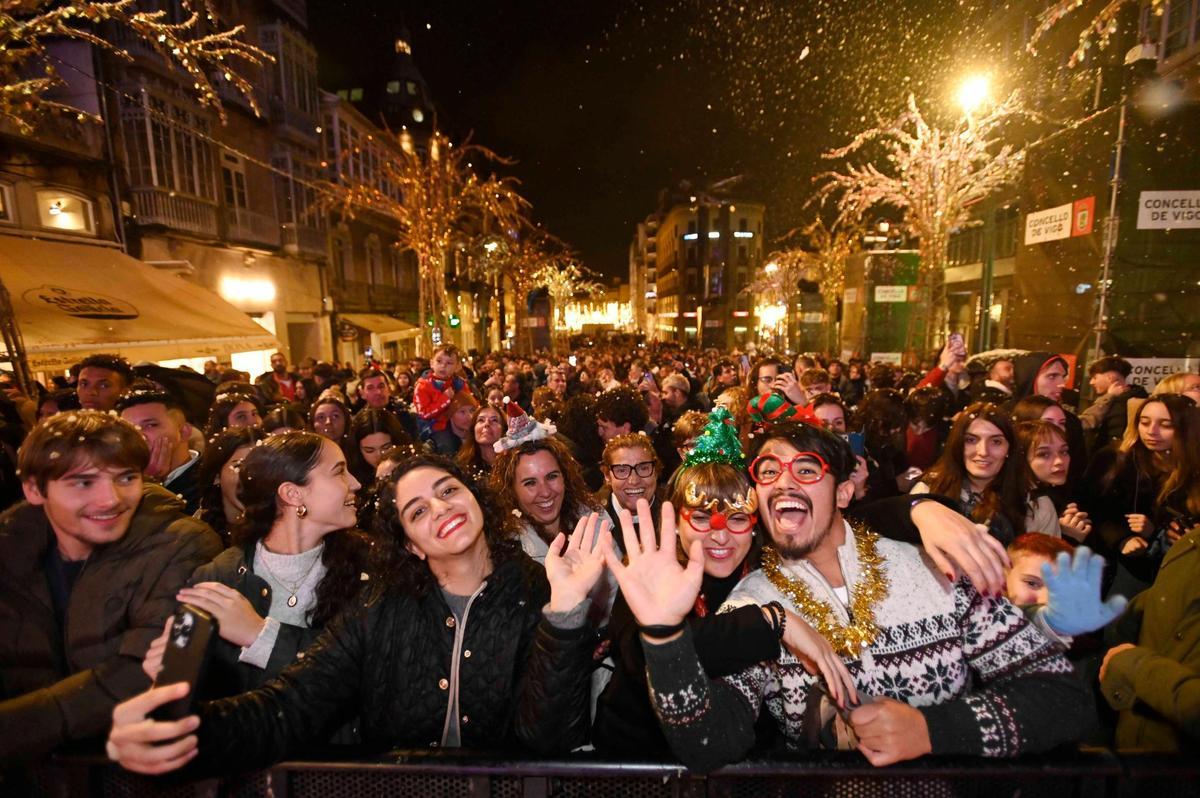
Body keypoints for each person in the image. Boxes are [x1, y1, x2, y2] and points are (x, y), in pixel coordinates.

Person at [606, 421, 1092, 771]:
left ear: (842, 493)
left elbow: (1064, 700)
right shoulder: (750, 600)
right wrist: (666, 637)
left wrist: (932, 731)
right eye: (768, 470)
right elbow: (708, 745)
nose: (784, 481)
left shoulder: (939, 570)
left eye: (807, 469)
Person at [107, 454, 607, 773]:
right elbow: (294, 704)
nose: (439, 508)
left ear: (476, 500)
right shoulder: (379, 607)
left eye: (449, 490)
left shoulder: (537, 589)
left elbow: (549, 740)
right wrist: (189, 732)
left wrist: (565, 615)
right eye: (416, 510)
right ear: (411, 546)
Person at [0, 411, 221, 760]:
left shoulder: (180, 546)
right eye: (83, 482)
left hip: (126, 769)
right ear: (33, 488)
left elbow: (144, 669)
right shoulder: (9, 550)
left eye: (126, 477)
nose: (111, 499)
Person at [143, 433, 372, 709]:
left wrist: (262, 635)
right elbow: (200, 699)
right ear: (292, 493)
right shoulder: (218, 580)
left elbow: (369, 672)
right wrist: (173, 672)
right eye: (339, 472)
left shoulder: (370, 569)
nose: (356, 483)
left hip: (343, 751)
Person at [1084, 393, 1200, 595]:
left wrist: (1161, 532)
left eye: (1166, 425)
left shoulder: (1193, 471)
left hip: (1179, 572)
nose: (1151, 431)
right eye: (1144, 422)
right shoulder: (1115, 460)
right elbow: (1093, 509)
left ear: (1186, 429)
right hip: (1122, 569)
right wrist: (1122, 538)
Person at [914, 402, 1056, 543]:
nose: (983, 452)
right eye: (971, 440)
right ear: (957, 445)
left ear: (1009, 449)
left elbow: (1047, 563)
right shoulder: (927, 490)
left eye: (996, 442)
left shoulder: (1035, 505)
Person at [117, 388, 203, 515]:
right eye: (128, 429)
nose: (138, 436)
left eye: (150, 425)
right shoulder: (118, 479)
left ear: (184, 432)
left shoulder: (209, 482)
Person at [1015, 421, 1091, 543]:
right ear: (1020, 458)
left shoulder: (1048, 497)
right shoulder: (1038, 503)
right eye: (1044, 454)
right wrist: (1070, 539)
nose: (1059, 461)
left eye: (1064, 451)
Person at [196, 427, 267, 545]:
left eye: (261, 466)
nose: (251, 476)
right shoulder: (197, 538)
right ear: (217, 476)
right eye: (239, 466)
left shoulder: (283, 534)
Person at [1081, 356, 1148, 453]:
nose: (1091, 382)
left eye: (1095, 377)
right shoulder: (1127, 398)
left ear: (1110, 377)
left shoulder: (1121, 403)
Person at [349, 408, 415, 489]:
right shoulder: (352, 481)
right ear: (358, 450)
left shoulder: (414, 470)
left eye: (386, 447)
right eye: (369, 450)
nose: (379, 455)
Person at [413, 345, 469, 439]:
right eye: (439, 361)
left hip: (459, 425)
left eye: (449, 363)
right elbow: (424, 413)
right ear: (431, 363)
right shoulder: (422, 386)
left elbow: (470, 404)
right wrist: (445, 399)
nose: (443, 366)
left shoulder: (459, 384)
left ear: (457, 366)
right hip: (434, 429)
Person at [454, 404, 507, 483]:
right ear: (473, 429)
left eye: (494, 420)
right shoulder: (461, 467)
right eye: (481, 420)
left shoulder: (514, 463)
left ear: (504, 430)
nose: (487, 424)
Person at [430, 390, 480, 457]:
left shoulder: (479, 437)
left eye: (472, 410)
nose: (470, 417)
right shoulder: (438, 443)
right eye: (462, 412)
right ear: (450, 415)